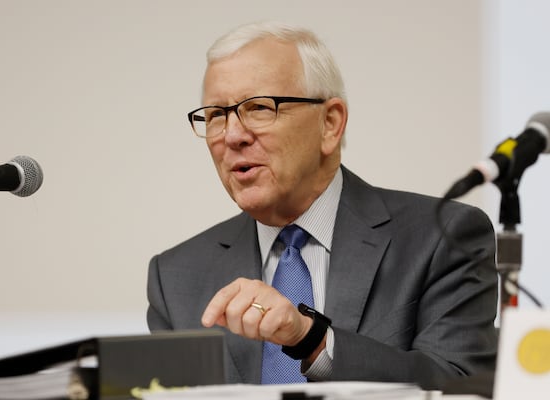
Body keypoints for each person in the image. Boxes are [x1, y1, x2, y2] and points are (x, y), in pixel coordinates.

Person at [146, 21, 498, 390]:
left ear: (330, 124)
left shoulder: (440, 238)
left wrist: (311, 339)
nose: (232, 135)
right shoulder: (175, 277)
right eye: (217, 115)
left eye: (259, 108)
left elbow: (463, 387)